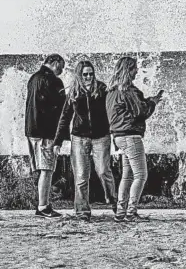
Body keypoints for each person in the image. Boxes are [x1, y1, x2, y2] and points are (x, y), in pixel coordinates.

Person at [53, 60, 117, 221]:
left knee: (104, 171)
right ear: (79, 75)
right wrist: (57, 141)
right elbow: (64, 118)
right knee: (81, 176)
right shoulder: (74, 92)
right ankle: (82, 211)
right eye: (85, 74)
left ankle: (115, 202)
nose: (88, 77)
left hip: (101, 137)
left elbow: (112, 114)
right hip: (79, 138)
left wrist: (116, 135)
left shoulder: (102, 90)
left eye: (91, 74)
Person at [105, 56, 164, 223]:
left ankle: (120, 212)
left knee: (127, 176)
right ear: (127, 70)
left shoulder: (112, 91)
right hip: (131, 136)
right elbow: (141, 112)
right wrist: (152, 102)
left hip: (118, 136)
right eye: (133, 69)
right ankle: (131, 212)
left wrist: (147, 102)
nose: (136, 71)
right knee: (141, 175)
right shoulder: (129, 91)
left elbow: (128, 110)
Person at [25, 54, 66, 218]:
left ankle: (43, 204)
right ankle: (43, 207)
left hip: (31, 130)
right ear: (55, 63)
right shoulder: (54, 81)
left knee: (42, 169)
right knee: (47, 170)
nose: (62, 71)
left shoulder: (33, 78)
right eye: (61, 66)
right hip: (45, 132)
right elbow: (60, 108)